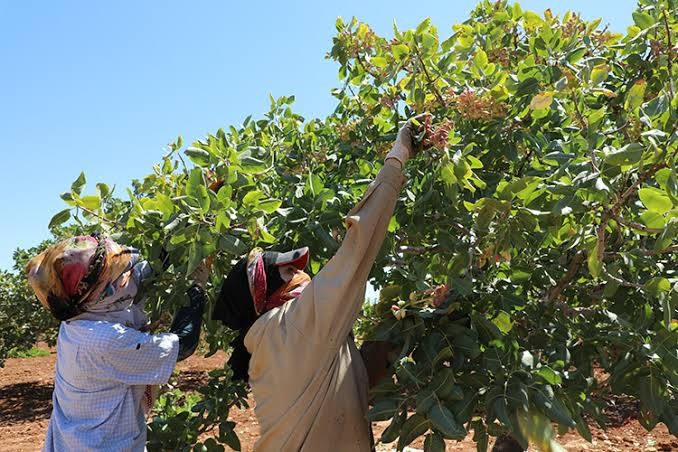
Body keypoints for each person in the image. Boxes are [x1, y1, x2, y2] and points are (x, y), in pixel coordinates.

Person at [213, 118, 423, 451]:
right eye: (285, 272)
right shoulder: (293, 326)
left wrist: (402, 322)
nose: (300, 273)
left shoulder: (282, 341)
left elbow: (351, 383)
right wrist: (397, 157)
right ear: (264, 299)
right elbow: (358, 248)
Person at [25, 234, 207, 452]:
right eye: (121, 274)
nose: (128, 276)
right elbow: (183, 343)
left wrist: (182, 230)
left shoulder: (81, 312)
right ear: (101, 291)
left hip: (75, 442)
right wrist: (196, 289)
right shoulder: (104, 340)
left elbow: (143, 277)